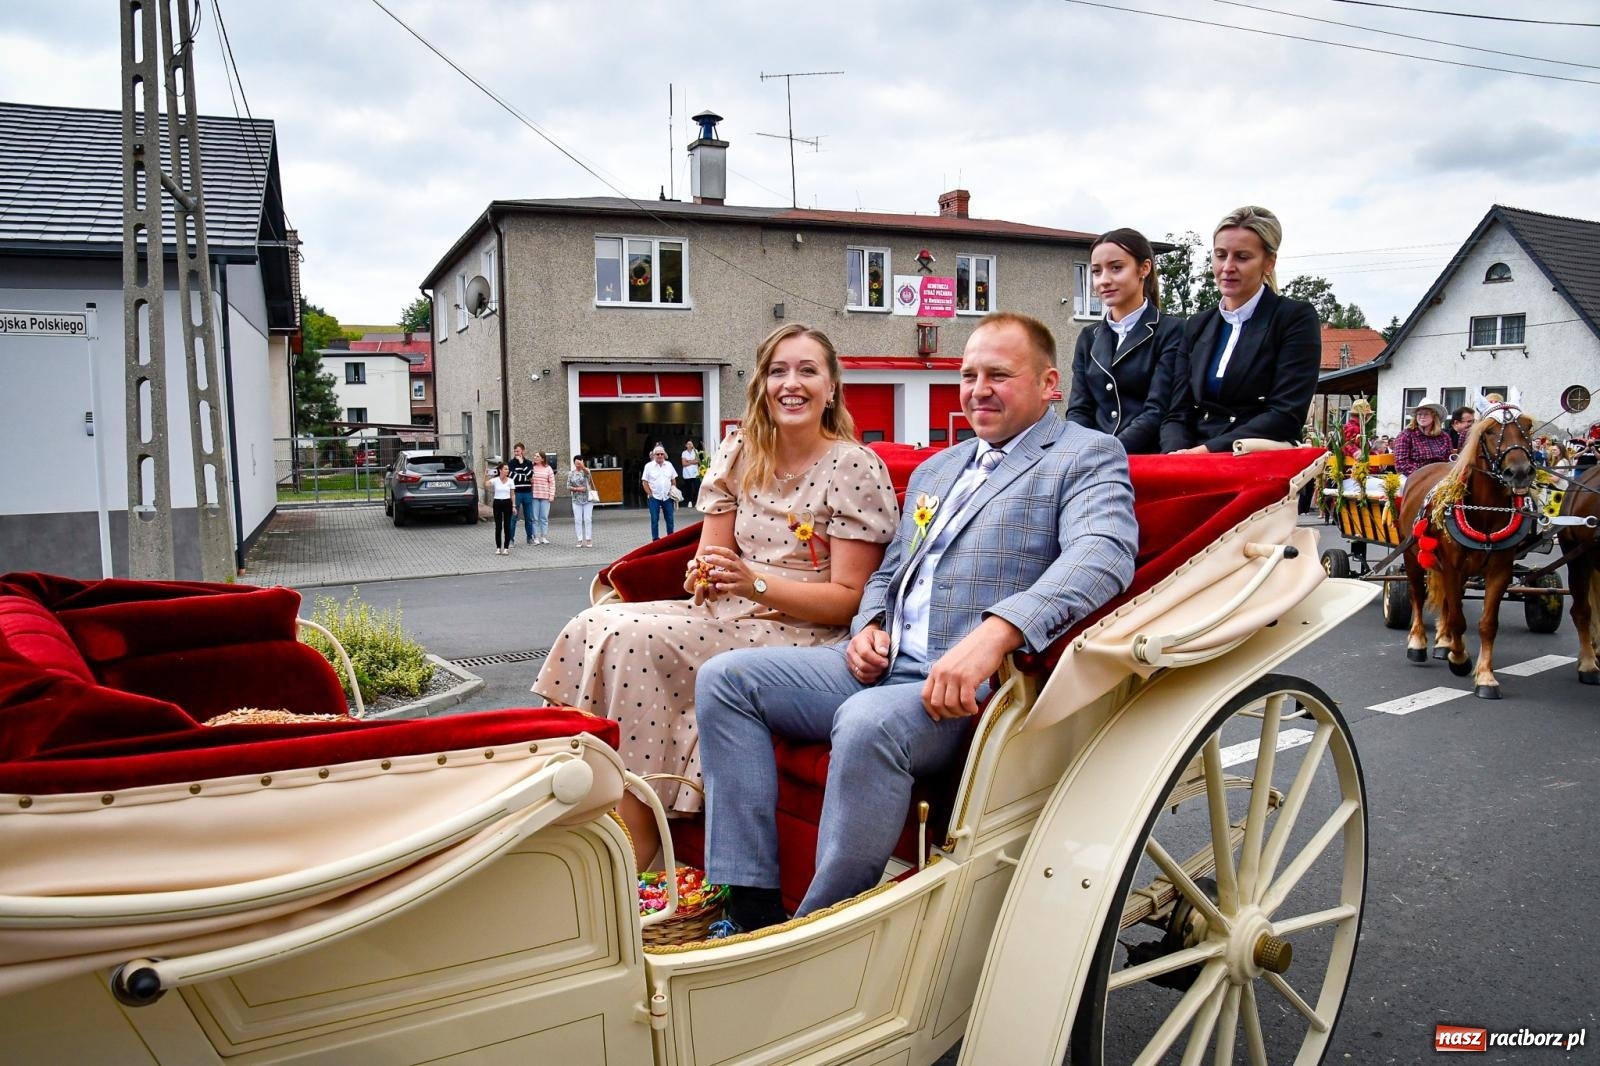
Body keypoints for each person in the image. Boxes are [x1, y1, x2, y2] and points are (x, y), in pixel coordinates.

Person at [696, 312, 1138, 936]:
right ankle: (751, 904)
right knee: (726, 679)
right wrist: (871, 623)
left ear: (1050, 384)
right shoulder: (938, 469)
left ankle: (821, 927)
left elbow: (1104, 554)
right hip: (882, 662)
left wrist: (996, 633)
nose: (979, 389)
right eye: (968, 375)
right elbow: (888, 572)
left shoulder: (1084, 454)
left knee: (865, 721)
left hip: (966, 687)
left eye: (999, 376)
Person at [534, 324, 899, 871]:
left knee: (633, 638)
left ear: (831, 388)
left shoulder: (852, 466)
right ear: (761, 384)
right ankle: (572, 790)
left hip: (800, 630)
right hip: (723, 615)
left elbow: (849, 600)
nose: (790, 384)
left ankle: (630, 851)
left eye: (806, 371)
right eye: (778, 371)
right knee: (594, 623)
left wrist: (749, 580)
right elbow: (707, 566)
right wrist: (703, 575)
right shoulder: (740, 451)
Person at [1161, 206, 1321, 453]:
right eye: (1220, 255)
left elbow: (1285, 415)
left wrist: (1205, 453)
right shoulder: (1196, 325)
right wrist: (1175, 456)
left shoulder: (1293, 319)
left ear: (1269, 263)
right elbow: (1178, 412)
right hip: (1190, 459)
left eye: (1242, 257)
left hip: (1253, 459)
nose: (1227, 266)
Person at [1065, 227, 1184, 454]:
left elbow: (1157, 409)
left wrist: (1107, 451)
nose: (1104, 280)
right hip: (1092, 460)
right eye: (1097, 271)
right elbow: (1079, 410)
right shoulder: (1088, 337)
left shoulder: (1172, 330)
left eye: (1116, 268)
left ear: (1144, 268)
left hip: (1147, 458)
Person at [1392, 402, 1452, 476]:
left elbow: (1448, 460)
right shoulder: (1406, 435)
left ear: (1434, 417)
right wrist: (1426, 473)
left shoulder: (1444, 437)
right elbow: (1401, 464)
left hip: (1439, 475)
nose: (1422, 416)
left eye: (1426, 414)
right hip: (1413, 476)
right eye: (1419, 414)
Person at [641, 444, 679, 540]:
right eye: (657, 454)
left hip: (667, 497)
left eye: (662, 454)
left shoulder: (669, 465)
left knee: (670, 520)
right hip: (654, 498)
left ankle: (670, 539)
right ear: (654, 455)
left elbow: (673, 480)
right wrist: (650, 495)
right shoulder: (648, 466)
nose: (660, 456)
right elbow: (644, 482)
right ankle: (655, 540)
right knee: (654, 520)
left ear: (664, 455)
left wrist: (673, 491)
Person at [508, 442, 535, 545]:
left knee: (529, 517)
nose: (516, 453)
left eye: (518, 451)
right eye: (515, 451)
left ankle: (529, 538)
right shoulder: (511, 463)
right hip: (516, 493)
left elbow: (531, 475)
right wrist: (525, 477)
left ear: (522, 451)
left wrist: (523, 465)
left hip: (527, 493)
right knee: (513, 517)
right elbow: (511, 476)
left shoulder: (528, 463)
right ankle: (511, 539)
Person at [568, 454, 596, 547]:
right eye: (576, 463)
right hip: (576, 499)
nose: (578, 465)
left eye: (579, 463)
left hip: (588, 499)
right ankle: (579, 539)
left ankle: (588, 538)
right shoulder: (571, 473)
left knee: (587, 519)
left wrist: (583, 466)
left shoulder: (586, 471)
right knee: (578, 519)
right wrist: (578, 489)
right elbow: (568, 486)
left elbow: (588, 475)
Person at [489, 462, 515, 556]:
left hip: (507, 502)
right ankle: (498, 547)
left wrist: (514, 506)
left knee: (507, 526)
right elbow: (486, 485)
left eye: (508, 469)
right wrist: (486, 476)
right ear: (500, 470)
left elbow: (512, 494)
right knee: (498, 526)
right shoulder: (495, 480)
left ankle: (506, 548)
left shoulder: (511, 481)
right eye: (505, 469)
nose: (507, 471)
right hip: (497, 503)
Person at [681, 440, 702, 510]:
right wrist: (693, 461)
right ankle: (689, 501)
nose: (689, 445)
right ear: (686, 445)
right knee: (688, 489)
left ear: (693, 445)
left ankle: (697, 502)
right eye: (688, 444)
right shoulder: (684, 453)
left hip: (695, 473)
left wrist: (688, 461)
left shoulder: (695, 451)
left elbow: (698, 461)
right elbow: (683, 463)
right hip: (687, 473)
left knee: (697, 487)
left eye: (691, 444)